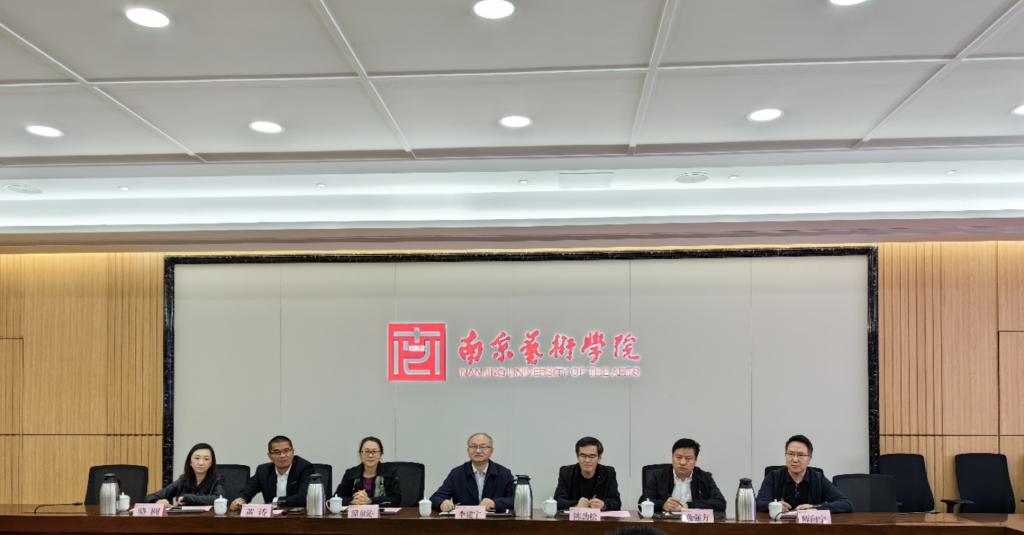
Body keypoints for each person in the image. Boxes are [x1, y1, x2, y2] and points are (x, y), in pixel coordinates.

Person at [755, 434, 853, 513]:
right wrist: (774, 506)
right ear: (785, 455)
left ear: (809, 459)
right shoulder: (773, 476)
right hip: (779, 527)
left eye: (801, 455)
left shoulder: (818, 478)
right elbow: (759, 503)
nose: (795, 459)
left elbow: (846, 504)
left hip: (810, 527)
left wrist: (815, 508)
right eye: (790, 454)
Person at [429, 432, 514, 512]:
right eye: (473, 446)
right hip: (465, 521)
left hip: (494, 521)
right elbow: (435, 498)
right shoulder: (457, 473)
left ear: (491, 451)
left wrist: (495, 503)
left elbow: (515, 500)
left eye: (483, 447)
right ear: (468, 450)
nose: (478, 451)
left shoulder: (504, 473)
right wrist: (442, 503)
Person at [639, 438, 726, 513]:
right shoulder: (658, 476)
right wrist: (663, 505)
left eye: (688, 458)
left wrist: (689, 506)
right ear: (672, 457)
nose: (682, 462)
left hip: (695, 524)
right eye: (678, 457)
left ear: (695, 460)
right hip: (664, 524)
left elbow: (720, 503)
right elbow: (642, 502)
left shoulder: (705, 477)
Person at [230, 435, 314, 511]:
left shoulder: (304, 467)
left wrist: (276, 501)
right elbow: (247, 491)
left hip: (297, 516)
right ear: (269, 456)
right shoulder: (263, 471)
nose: (282, 455)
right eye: (277, 452)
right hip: (272, 518)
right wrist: (240, 500)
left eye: (286, 451)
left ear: (293, 452)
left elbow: (303, 497)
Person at [553, 436, 621, 511]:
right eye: (583, 455)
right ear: (577, 456)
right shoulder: (566, 472)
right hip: (574, 518)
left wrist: (604, 505)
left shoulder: (608, 473)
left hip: (600, 518)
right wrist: (576, 504)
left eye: (592, 456)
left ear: (599, 457)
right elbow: (557, 501)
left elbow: (617, 502)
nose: (587, 460)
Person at [145, 442, 225, 505]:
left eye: (206, 459)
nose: (201, 463)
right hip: (185, 519)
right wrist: (157, 501)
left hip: (209, 519)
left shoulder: (218, 479)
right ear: (190, 462)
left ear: (211, 463)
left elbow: (218, 499)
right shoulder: (183, 480)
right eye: (197, 458)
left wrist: (187, 498)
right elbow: (149, 497)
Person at [335, 436, 402, 505]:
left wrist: (370, 500)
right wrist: (352, 501)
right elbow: (336, 497)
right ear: (360, 454)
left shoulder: (390, 473)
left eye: (374, 451)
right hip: (356, 511)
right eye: (367, 451)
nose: (370, 455)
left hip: (381, 512)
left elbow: (396, 499)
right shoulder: (351, 473)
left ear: (381, 455)